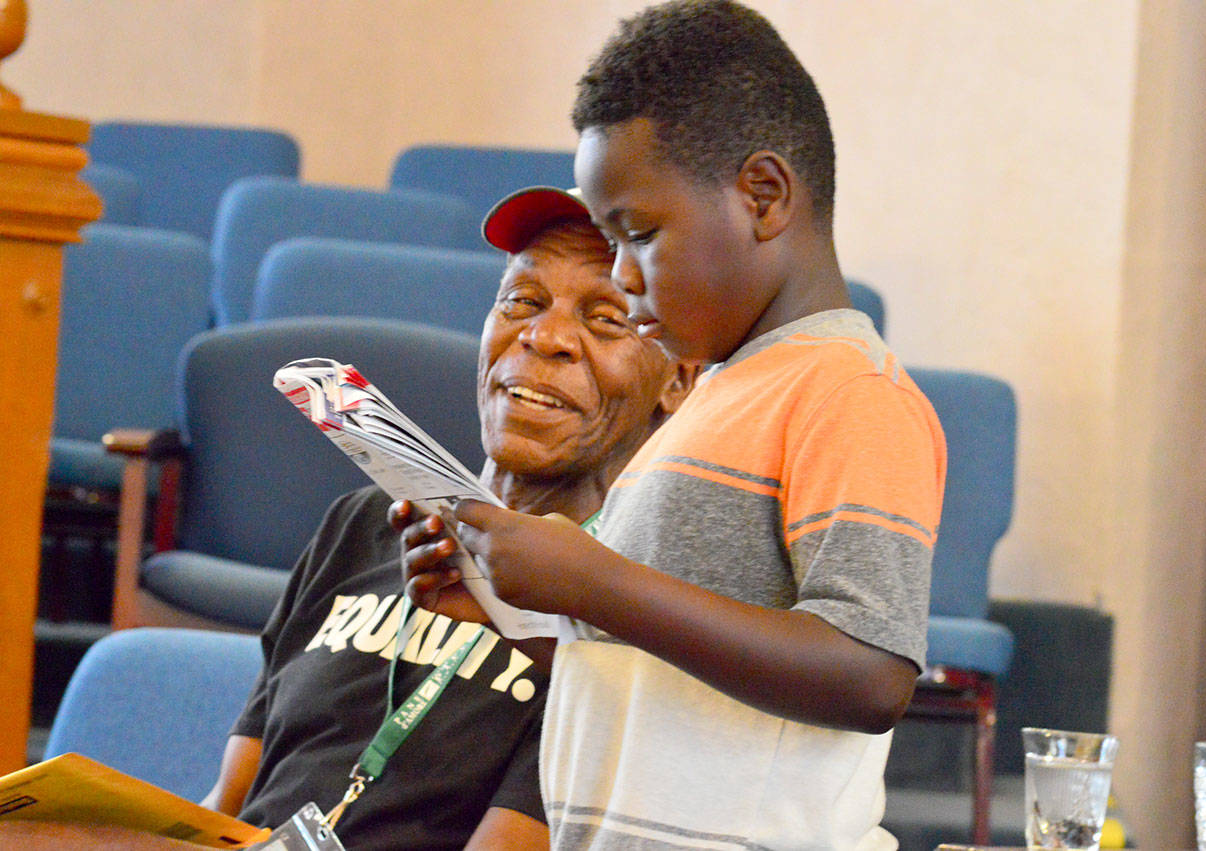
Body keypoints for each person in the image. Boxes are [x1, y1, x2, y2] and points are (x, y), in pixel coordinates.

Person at [396, 2, 948, 848]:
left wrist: (594, 582)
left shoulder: (848, 390)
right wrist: (505, 615)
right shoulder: (713, 396)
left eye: (639, 234)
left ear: (763, 196)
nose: (621, 273)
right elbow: (651, 664)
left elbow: (871, 675)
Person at [0, 186, 693, 851]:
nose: (544, 336)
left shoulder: (610, 611)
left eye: (606, 318)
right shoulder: (363, 524)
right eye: (521, 299)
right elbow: (228, 805)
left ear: (677, 380)